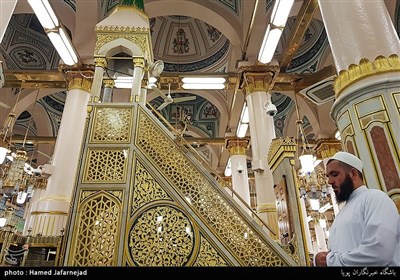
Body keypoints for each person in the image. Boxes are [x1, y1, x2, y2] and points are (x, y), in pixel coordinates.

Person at [314, 151, 400, 266]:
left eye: (334, 174)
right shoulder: (341, 213)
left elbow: (378, 252)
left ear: (353, 174)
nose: (330, 182)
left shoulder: (375, 198)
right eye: (328, 176)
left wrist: (330, 261)